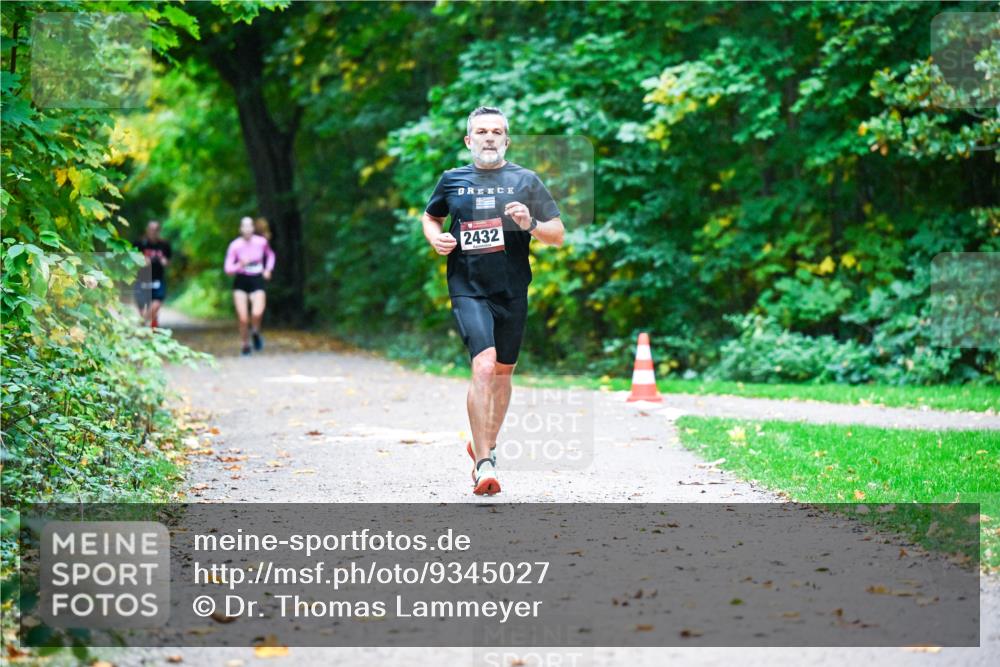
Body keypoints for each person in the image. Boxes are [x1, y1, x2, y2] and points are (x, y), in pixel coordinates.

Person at [421, 106, 564, 495]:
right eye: (481, 131)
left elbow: (557, 233)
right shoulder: (452, 180)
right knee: (483, 365)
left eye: (496, 132)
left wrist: (530, 224)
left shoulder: (525, 180)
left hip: (512, 289)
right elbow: (431, 216)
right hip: (467, 286)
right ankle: (483, 463)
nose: (489, 137)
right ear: (469, 140)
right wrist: (435, 238)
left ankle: (486, 441)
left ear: (506, 140)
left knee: (503, 372)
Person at [224, 216, 275, 356]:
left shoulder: (261, 242)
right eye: (244, 226)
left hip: (257, 279)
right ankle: (245, 345)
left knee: (257, 313)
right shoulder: (235, 245)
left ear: (253, 228)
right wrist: (240, 264)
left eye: (249, 226)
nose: (247, 229)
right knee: (243, 318)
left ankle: (255, 332)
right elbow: (228, 269)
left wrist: (268, 269)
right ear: (240, 229)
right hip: (241, 280)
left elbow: (270, 256)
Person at [133, 220, 172, 329]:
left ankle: (143, 324)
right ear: (147, 230)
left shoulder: (164, 245)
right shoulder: (139, 244)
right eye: (151, 229)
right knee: (143, 310)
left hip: (157, 279)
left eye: (156, 230)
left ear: (159, 231)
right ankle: (149, 327)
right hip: (142, 279)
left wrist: (165, 262)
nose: (153, 232)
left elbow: (168, 261)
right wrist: (141, 260)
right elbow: (130, 260)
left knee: (155, 306)